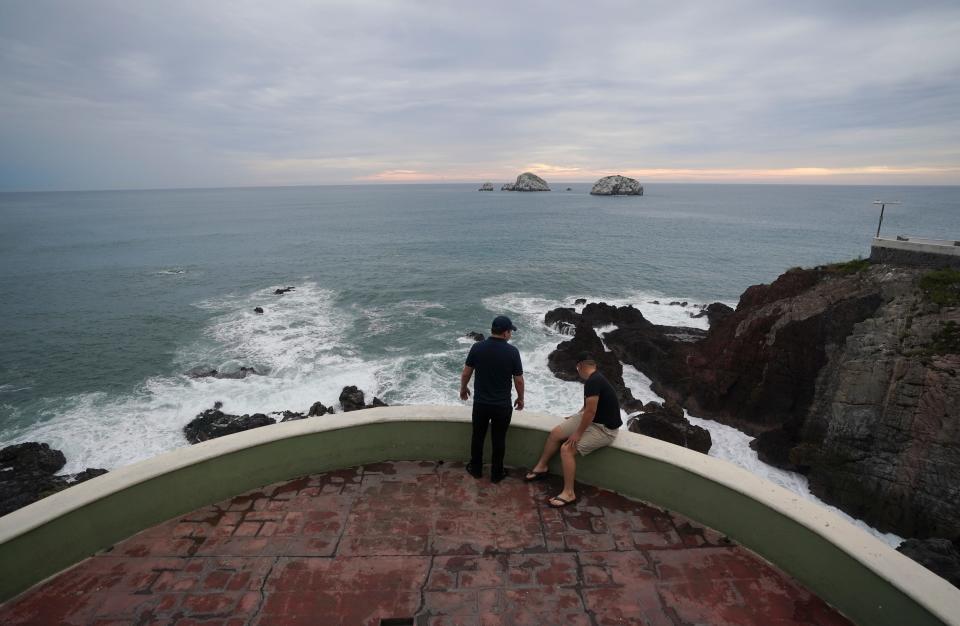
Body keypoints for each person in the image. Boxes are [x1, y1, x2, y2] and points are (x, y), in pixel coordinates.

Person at [524, 353, 621, 507]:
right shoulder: (594, 379)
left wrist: (577, 433)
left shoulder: (593, 382)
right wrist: (576, 416)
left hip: (605, 430)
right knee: (556, 433)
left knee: (566, 449)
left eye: (577, 370)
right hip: (593, 420)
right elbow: (587, 407)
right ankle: (542, 467)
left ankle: (569, 493)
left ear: (579, 366)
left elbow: (591, 412)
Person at [459, 315, 524, 483]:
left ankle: (476, 469)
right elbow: (518, 380)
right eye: (510, 331)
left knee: (477, 437)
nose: (511, 334)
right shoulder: (512, 352)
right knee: (499, 439)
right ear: (505, 333)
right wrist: (520, 398)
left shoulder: (477, 348)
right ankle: (496, 474)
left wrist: (463, 388)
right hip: (502, 406)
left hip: (481, 404)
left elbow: (466, 372)